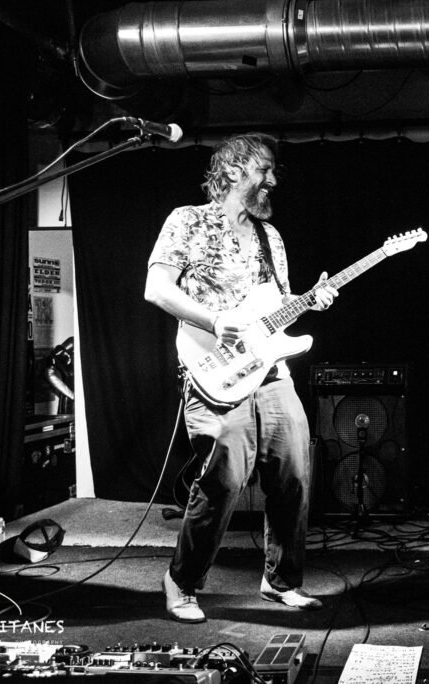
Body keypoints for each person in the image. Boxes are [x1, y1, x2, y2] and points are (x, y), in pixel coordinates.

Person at [144, 133, 338, 622]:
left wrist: (311, 300)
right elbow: (157, 289)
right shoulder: (187, 220)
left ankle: (282, 580)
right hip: (215, 370)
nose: (272, 180)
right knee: (224, 479)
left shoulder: (271, 237)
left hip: (271, 371)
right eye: (264, 169)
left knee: (295, 472)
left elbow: (277, 308)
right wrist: (214, 321)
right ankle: (181, 581)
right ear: (233, 170)